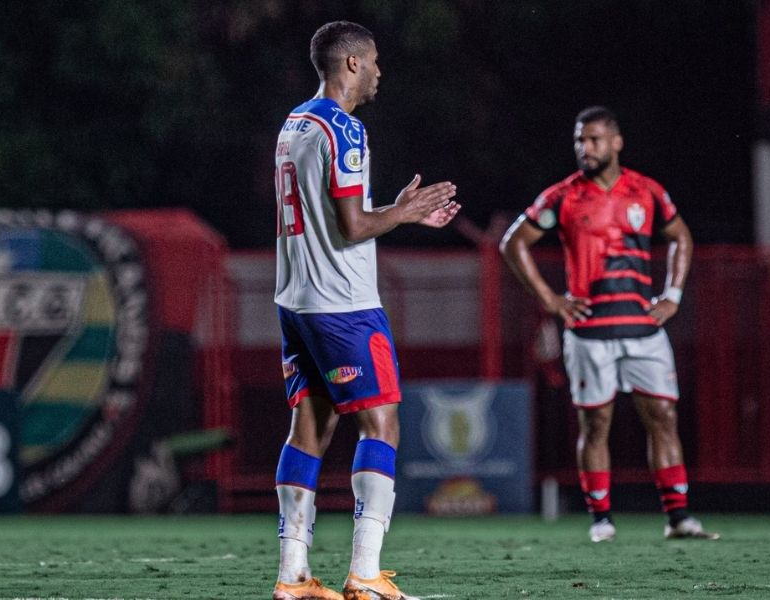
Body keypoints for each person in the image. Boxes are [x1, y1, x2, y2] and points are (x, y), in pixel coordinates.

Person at [272, 21, 460, 600]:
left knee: (309, 429)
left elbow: (334, 213)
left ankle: (293, 577)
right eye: (374, 61)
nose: (379, 71)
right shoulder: (346, 129)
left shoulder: (294, 123)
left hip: (295, 299)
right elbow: (352, 227)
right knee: (382, 423)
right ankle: (366, 575)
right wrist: (401, 216)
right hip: (343, 305)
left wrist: (393, 208)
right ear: (350, 65)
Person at [500, 106, 718, 543]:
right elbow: (514, 242)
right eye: (580, 140)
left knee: (663, 415)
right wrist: (550, 300)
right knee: (595, 424)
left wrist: (672, 295)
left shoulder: (647, 191)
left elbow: (681, 238)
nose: (586, 148)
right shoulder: (562, 196)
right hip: (588, 331)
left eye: (595, 139)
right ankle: (601, 519)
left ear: (616, 142)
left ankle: (678, 517)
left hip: (643, 328)